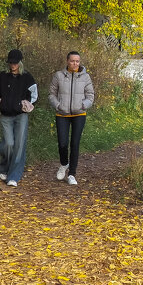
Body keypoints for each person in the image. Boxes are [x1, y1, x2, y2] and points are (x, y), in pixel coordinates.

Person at [0, 48, 37, 187]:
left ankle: (14, 176)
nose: (13, 65)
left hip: (21, 115)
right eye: (11, 62)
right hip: (6, 115)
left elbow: (34, 95)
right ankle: (4, 167)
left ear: (20, 62)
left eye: (15, 62)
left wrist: (26, 105)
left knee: (19, 145)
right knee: (8, 144)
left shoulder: (27, 77)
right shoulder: (2, 76)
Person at [48, 50, 94, 185]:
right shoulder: (58, 76)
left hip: (79, 114)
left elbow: (90, 95)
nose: (75, 63)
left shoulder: (85, 77)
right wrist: (58, 105)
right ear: (67, 61)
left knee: (75, 143)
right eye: (73, 61)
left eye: (77, 61)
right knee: (62, 143)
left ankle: (72, 174)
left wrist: (83, 105)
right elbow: (51, 94)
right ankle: (64, 163)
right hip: (62, 114)